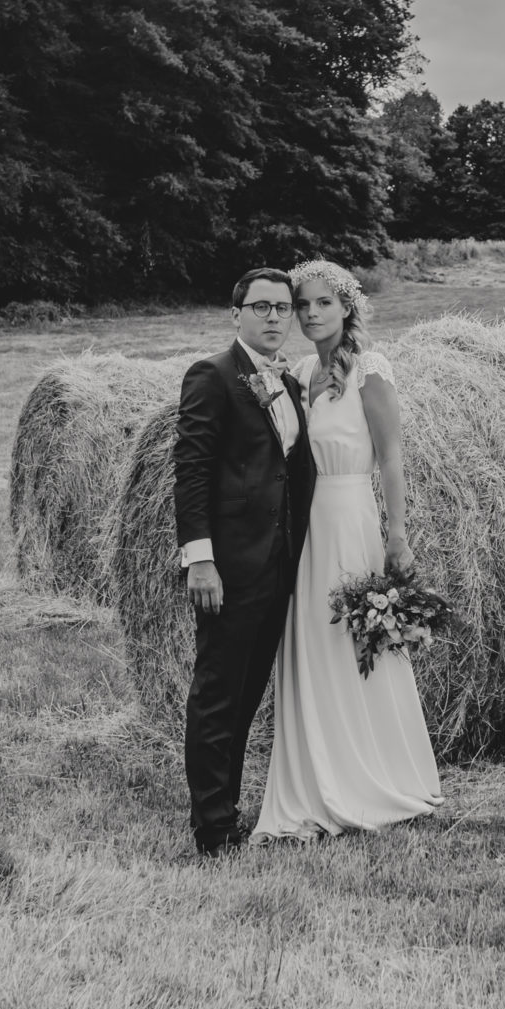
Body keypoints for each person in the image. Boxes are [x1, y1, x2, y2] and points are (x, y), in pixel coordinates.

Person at [252, 259, 442, 842]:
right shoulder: (298, 371)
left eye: (322, 304)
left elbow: (391, 461)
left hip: (350, 518)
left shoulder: (371, 371)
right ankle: (311, 778)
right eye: (302, 305)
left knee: (353, 643)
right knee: (309, 642)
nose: (310, 314)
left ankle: (372, 775)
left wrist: (398, 534)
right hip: (301, 529)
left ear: (347, 308)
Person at [173, 268, 316, 857]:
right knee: (217, 693)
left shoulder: (286, 380)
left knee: (248, 693)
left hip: (280, 564)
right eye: (262, 307)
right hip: (229, 567)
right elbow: (193, 470)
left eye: (283, 307)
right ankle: (212, 829)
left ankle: (227, 809)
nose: (275, 317)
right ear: (237, 315)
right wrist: (200, 561)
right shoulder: (214, 375)